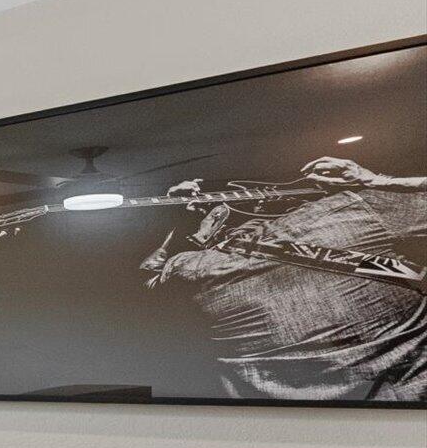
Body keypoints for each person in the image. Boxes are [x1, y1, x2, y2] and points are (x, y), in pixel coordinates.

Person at [141, 155, 427, 401]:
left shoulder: (191, 269)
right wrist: (375, 180)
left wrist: (179, 224)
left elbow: (147, 288)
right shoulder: (353, 210)